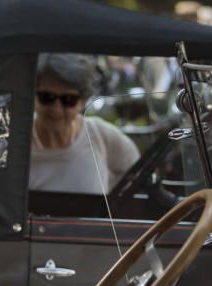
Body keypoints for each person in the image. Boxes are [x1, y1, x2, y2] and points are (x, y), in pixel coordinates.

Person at [29, 53, 139, 194]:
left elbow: (137, 175)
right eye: (47, 97)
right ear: (33, 96)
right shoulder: (16, 145)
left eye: (68, 100)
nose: (56, 109)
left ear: (82, 101)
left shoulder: (100, 136)